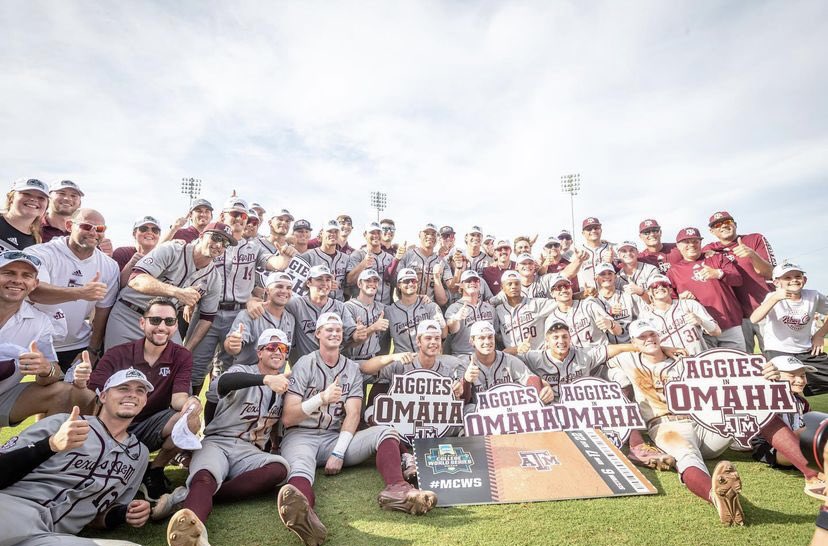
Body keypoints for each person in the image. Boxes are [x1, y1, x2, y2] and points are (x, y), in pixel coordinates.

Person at [607, 319, 822, 525]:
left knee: (758, 411)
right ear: (633, 342)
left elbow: (730, 376)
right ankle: (715, 497)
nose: (649, 339)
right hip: (666, 425)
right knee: (686, 456)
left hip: (704, 422)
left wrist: (766, 373)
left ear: (659, 335)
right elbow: (607, 353)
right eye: (642, 337)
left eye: (652, 334)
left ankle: (813, 476)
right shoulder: (627, 360)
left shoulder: (684, 358)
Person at [277, 313, 437, 545]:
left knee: (385, 431)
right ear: (318, 334)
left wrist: (339, 453)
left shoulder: (350, 368)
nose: (334, 333)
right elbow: (289, 417)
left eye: (338, 330)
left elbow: (353, 414)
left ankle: (398, 489)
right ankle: (307, 518)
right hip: (301, 435)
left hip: (334, 438)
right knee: (301, 471)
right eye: (328, 329)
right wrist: (321, 398)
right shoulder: (304, 363)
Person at [150, 329, 293, 546]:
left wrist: (274, 445)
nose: (277, 352)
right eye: (271, 347)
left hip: (249, 450)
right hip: (219, 442)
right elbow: (225, 383)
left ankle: (183, 496)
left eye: (282, 348)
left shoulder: (285, 385)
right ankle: (195, 533)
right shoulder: (242, 370)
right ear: (259, 352)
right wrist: (265, 380)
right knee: (205, 476)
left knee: (280, 469)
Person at [0, 368, 153, 546]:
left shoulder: (140, 455)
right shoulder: (62, 423)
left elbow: (98, 516)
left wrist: (125, 513)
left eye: (140, 391)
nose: (132, 394)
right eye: (123, 388)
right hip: (11, 510)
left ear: (144, 402)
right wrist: (50, 445)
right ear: (103, 396)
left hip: (48, 537)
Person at [87, 297, 203, 503]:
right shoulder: (118, 353)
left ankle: (154, 469)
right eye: (155, 320)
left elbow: (178, 398)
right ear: (143, 323)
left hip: (150, 426)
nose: (162, 327)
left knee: (191, 419)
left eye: (169, 321)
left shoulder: (181, 355)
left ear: (176, 325)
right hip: (113, 427)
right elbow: (92, 394)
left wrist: (191, 403)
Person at [187, 197, 286, 393]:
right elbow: (191, 270)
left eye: (243, 216)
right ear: (223, 216)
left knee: (227, 370)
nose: (240, 219)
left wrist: (286, 255)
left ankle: (217, 419)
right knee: (195, 367)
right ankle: (186, 414)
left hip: (236, 313)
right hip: (207, 311)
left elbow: (275, 264)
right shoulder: (207, 241)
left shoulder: (253, 246)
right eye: (234, 214)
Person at [103, 222, 229, 351]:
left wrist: (187, 349)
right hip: (130, 314)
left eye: (225, 243)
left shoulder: (214, 278)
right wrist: (177, 292)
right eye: (216, 238)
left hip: (165, 324)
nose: (219, 245)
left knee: (175, 364)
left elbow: (206, 318)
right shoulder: (171, 250)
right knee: (118, 367)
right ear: (202, 236)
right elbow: (136, 280)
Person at [27, 208, 120, 372]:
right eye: (86, 226)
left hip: (77, 346)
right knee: (25, 394)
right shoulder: (40, 252)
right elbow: (34, 292)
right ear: (70, 225)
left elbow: (102, 312)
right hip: (32, 343)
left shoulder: (109, 266)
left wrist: (92, 350)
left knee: (74, 395)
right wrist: (80, 293)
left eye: (99, 229)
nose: (93, 232)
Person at [0, 250, 68, 429]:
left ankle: (35, 450)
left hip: (2, 398)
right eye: (8, 273)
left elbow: (53, 373)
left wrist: (45, 368)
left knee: (64, 392)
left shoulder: (40, 322)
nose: (17, 280)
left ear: (35, 284)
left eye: (26, 275)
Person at [750, 262, 828, 395]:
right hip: (778, 350)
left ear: (804, 280)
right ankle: (792, 413)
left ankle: (804, 409)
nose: (794, 280)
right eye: (787, 278)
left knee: (802, 386)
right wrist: (775, 298)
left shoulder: (813, 296)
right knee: (783, 391)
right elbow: (754, 318)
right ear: (776, 282)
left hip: (805, 349)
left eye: (798, 276)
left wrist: (820, 334)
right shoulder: (772, 297)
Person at [704, 211, 776, 352]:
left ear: (735, 224)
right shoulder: (709, 249)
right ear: (712, 231)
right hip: (738, 318)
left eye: (727, 222)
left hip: (765, 309)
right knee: (744, 362)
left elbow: (770, 273)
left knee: (774, 358)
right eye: (717, 225)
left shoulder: (754, 239)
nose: (723, 226)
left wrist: (752, 255)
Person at [667, 227, 745, 350]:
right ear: (678, 246)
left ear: (700, 243)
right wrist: (680, 298)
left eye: (695, 241)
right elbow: (669, 300)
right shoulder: (673, 271)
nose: (691, 245)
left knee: (738, 364)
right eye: (686, 242)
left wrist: (719, 273)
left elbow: (738, 280)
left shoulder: (716, 258)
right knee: (708, 366)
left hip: (729, 323)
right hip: (701, 328)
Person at [460, 321, 550, 407]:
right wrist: (466, 381)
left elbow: (531, 379)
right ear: (472, 341)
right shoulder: (465, 364)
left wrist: (545, 389)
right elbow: (461, 400)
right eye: (481, 338)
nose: (487, 342)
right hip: (482, 415)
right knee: (469, 408)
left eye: (490, 337)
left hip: (509, 412)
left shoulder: (509, 360)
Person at [751, 355, 814, 470]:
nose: (800, 380)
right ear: (774, 376)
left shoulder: (802, 402)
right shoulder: (765, 399)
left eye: (802, 375)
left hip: (797, 442)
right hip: (768, 445)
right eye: (792, 375)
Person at [285, 265, 359, 359]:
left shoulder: (339, 306)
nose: (324, 283)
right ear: (308, 282)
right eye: (319, 279)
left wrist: (360, 333)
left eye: (328, 280)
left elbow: (353, 335)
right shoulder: (296, 304)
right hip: (306, 365)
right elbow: (274, 305)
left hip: (333, 363)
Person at [224, 271, 296, 368]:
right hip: (246, 376)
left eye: (289, 288)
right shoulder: (248, 314)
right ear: (267, 290)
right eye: (279, 286)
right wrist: (233, 344)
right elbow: (231, 346)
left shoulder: (290, 319)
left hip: (275, 378)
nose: (284, 291)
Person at [637, 274, 721, 356]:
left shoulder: (689, 304)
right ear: (649, 292)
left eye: (664, 284)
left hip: (697, 359)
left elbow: (716, 331)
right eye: (654, 286)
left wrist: (701, 321)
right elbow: (641, 346)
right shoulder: (645, 317)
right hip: (669, 363)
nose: (660, 287)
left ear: (670, 289)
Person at [546, 274, 621, 348]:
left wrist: (611, 324)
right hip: (576, 358)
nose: (564, 290)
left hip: (602, 353)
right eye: (559, 287)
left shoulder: (588, 305)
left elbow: (618, 331)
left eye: (567, 286)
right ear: (552, 294)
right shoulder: (551, 320)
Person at [384, 268, 446, 353]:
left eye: (413, 281)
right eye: (406, 281)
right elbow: (383, 341)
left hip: (426, 359)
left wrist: (443, 325)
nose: (410, 284)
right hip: (403, 360)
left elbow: (443, 335)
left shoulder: (430, 306)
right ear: (398, 285)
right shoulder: (389, 311)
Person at [493, 270, 557, 351]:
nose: (514, 287)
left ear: (521, 286)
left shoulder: (535, 303)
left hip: (537, 355)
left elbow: (560, 302)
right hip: (514, 358)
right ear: (502, 288)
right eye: (509, 284)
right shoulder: (498, 310)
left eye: (517, 284)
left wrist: (576, 296)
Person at [445, 270, 497, 357]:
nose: (472, 283)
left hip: (488, 354)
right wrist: (455, 319)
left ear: (480, 284)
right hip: (463, 355)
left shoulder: (490, 308)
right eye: (468, 281)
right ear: (461, 285)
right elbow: (451, 330)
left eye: (476, 280)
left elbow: (496, 333)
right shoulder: (454, 308)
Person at [397, 223, 453, 302]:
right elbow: (396, 284)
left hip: (431, 307)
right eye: (426, 233)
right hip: (408, 304)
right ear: (419, 235)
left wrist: (458, 268)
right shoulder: (408, 255)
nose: (430, 236)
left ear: (437, 238)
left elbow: (447, 295)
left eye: (433, 234)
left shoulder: (441, 261)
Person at [344, 269, 388, 366]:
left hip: (375, 359)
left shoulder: (381, 307)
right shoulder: (348, 307)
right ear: (359, 284)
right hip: (352, 361)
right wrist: (373, 328)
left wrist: (422, 298)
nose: (372, 283)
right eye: (368, 280)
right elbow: (349, 341)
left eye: (375, 281)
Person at [299, 220, 350, 301]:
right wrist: (322, 285)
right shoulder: (308, 256)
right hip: (314, 303)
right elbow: (299, 284)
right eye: (329, 231)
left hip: (339, 305)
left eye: (336, 231)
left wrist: (339, 285)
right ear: (322, 233)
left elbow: (349, 285)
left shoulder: (346, 258)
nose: (333, 234)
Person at [593, 262, 642, 344]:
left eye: (610, 273)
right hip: (608, 348)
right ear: (596, 278)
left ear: (615, 277)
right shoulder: (592, 302)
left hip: (631, 343)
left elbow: (640, 318)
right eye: (602, 274)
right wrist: (610, 314)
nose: (607, 276)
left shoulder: (627, 296)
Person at [346, 222, 395, 305]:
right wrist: (363, 264)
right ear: (365, 234)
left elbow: (394, 283)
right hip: (362, 307)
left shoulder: (390, 258)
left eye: (378, 232)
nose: (376, 235)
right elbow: (349, 281)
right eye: (372, 232)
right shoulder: (357, 255)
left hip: (385, 306)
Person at [113, 216, 162, 288]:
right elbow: (116, 286)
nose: (149, 232)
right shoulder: (122, 253)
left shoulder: (163, 258)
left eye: (155, 230)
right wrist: (131, 264)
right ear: (134, 233)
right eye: (143, 229)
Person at [1, 178, 49, 251]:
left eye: (41, 198)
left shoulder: (37, 241)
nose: (34, 199)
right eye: (26, 194)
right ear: (11, 198)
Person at [576, 217, 614, 289]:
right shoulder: (578, 251)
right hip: (587, 295)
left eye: (596, 228)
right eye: (589, 229)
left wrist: (612, 263)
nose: (593, 231)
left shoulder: (612, 248)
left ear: (601, 230)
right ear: (583, 233)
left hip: (610, 293)